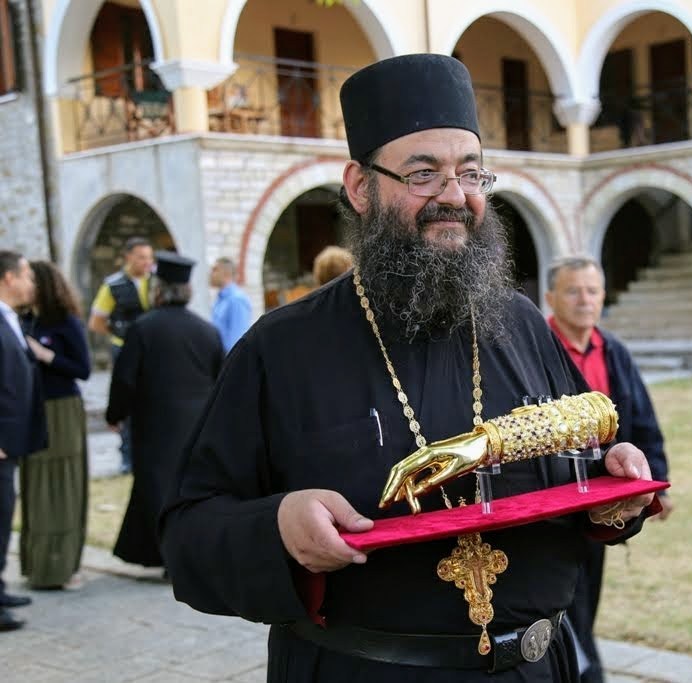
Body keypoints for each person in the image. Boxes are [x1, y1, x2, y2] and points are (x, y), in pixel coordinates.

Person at [159, 53, 658, 683]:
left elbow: (579, 475)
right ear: (361, 187)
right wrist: (277, 527)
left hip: (538, 668)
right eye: (424, 174)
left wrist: (614, 492)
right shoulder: (280, 349)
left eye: (472, 174)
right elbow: (187, 536)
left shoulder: (524, 323)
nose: (454, 197)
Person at [544, 255, 672, 683]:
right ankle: (584, 670)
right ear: (551, 298)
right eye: (573, 290)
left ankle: (580, 662)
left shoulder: (612, 350)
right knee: (564, 600)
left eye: (593, 290)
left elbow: (643, 421)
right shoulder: (536, 350)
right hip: (554, 502)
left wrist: (658, 483)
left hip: (605, 504)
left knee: (587, 596)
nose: (585, 300)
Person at [107, 252, 223, 569]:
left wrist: (114, 414)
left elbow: (125, 380)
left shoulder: (143, 329)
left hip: (155, 425)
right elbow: (222, 378)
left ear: (157, 289)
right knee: (188, 492)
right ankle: (184, 553)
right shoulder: (206, 330)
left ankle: (173, 559)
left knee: (158, 489)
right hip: (197, 426)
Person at [20, 261, 91, 589]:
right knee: (36, 486)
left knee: (62, 486)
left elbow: (83, 368)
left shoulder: (64, 322)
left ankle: (62, 566)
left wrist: (45, 355)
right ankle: (37, 565)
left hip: (61, 410)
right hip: (32, 408)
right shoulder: (23, 320)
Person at [0, 251, 46, 632]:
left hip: (11, 441)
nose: (32, 282)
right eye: (27, 275)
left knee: (3, 517)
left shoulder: (10, 318)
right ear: (8, 278)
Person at [89, 237, 154, 474]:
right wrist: (119, 335)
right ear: (128, 257)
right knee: (127, 400)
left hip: (155, 350)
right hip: (124, 348)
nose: (146, 262)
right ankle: (128, 457)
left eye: (149, 257)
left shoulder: (157, 281)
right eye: (141, 257)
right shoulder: (112, 285)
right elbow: (96, 322)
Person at [209, 257, 252, 352]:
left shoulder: (236, 300)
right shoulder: (221, 299)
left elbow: (236, 343)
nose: (210, 274)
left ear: (226, 273)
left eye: (215, 270)